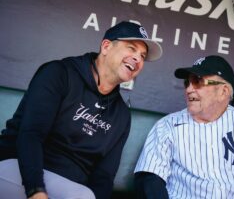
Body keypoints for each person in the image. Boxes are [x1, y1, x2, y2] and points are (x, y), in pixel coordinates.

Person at [0, 21, 162, 199]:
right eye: (131, 48)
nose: (138, 59)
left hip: (72, 189)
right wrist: (36, 191)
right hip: (21, 169)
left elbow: (104, 177)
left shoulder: (121, 115)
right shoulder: (59, 73)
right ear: (106, 46)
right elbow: (31, 135)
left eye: (142, 56)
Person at [134, 55, 234, 199]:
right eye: (187, 83)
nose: (188, 89)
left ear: (223, 91)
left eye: (198, 81)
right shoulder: (167, 126)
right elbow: (149, 179)